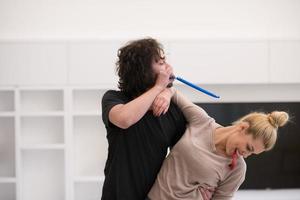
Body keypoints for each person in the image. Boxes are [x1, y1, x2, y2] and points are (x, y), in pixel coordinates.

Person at [147, 88, 289, 200]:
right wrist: (166, 94)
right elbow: (174, 92)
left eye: (252, 153)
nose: (245, 155)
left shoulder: (238, 169)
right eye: (248, 148)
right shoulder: (202, 122)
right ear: (243, 128)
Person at [101, 38, 186, 200]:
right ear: (143, 69)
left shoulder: (172, 109)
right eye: (161, 63)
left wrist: (169, 92)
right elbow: (124, 119)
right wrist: (160, 88)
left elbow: (187, 153)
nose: (168, 68)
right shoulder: (114, 98)